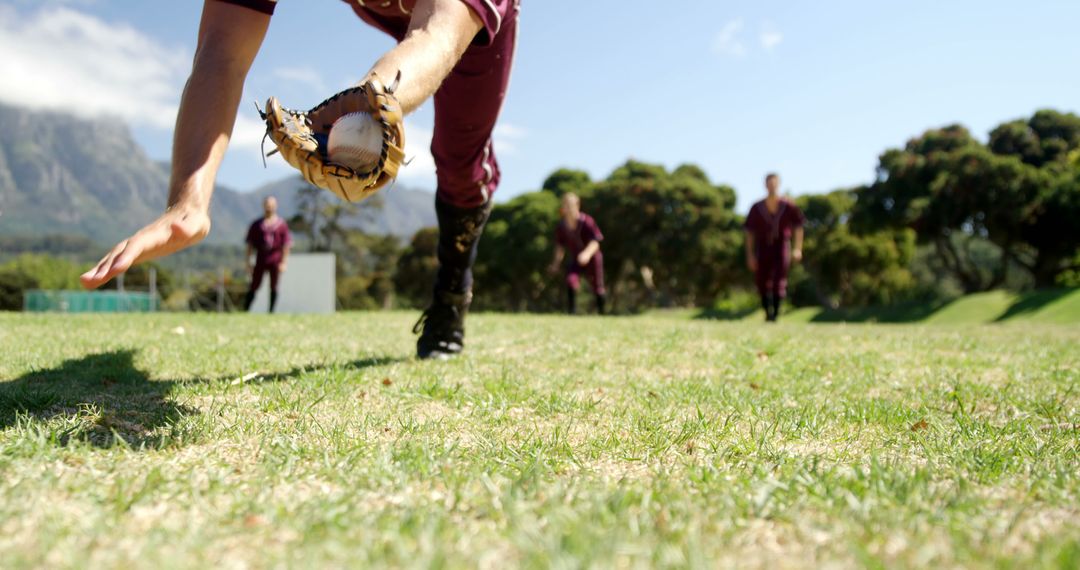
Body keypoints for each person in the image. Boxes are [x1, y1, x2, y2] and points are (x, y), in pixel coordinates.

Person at [79, 0, 519, 359]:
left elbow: (435, 33)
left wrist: (370, 103)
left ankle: (452, 294)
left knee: (460, 162)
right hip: (405, 15)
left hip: (464, 26)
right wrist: (188, 202)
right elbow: (221, 54)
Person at [744, 173, 805, 322]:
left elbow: (798, 227)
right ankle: (767, 313)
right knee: (762, 280)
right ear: (765, 185)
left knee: (779, 279)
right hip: (763, 246)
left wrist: (798, 248)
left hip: (781, 245)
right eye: (769, 183)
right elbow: (749, 232)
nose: (772, 186)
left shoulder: (788, 205)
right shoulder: (757, 207)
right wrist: (750, 254)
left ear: (778, 184)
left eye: (774, 183)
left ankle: (775, 315)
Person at [549, 193, 606, 315]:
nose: (568, 208)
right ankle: (572, 313)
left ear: (577, 206)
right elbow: (560, 248)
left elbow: (596, 242)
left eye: (571, 205)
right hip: (576, 258)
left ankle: (602, 313)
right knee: (570, 280)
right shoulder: (561, 226)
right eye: (566, 205)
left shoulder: (587, 221)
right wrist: (555, 264)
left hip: (592, 257)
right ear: (562, 208)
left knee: (597, 285)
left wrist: (586, 254)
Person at [244, 196, 291, 313]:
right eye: (267, 205)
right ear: (263, 206)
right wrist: (248, 262)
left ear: (276, 206)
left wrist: (284, 262)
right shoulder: (256, 224)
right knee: (254, 284)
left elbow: (286, 245)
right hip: (261, 257)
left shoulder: (281, 224)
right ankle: (245, 309)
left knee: (274, 285)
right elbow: (250, 245)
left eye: (271, 205)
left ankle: (271, 311)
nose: (269, 207)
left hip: (275, 257)